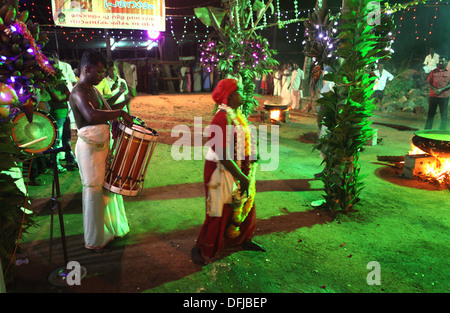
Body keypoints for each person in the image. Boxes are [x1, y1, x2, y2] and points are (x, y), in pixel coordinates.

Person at [191, 79, 265, 265]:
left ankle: (242, 240)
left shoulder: (236, 114)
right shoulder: (221, 118)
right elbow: (222, 153)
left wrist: (251, 158)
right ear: (229, 96)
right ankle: (202, 248)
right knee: (217, 210)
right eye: (239, 91)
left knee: (245, 202)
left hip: (237, 166)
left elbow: (241, 142)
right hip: (219, 169)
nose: (243, 94)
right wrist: (241, 176)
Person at [69, 50, 133, 252]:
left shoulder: (93, 89)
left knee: (107, 187)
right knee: (94, 191)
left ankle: (111, 229)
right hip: (89, 149)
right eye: (99, 72)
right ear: (86, 69)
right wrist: (121, 112)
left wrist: (125, 100)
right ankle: (95, 238)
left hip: (102, 147)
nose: (102, 76)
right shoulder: (78, 91)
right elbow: (92, 115)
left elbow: (106, 108)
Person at [425, 56, 449, 130]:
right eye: (439, 61)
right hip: (433, 95)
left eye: (442, 61)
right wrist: (434, 89)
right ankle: (427, 130)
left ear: (447, 62)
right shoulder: (434, 71)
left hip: (444, 96)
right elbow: (429, 82)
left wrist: (442, 89)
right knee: (431, 114)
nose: (440, 63)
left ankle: (442, 131)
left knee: (443, 114)